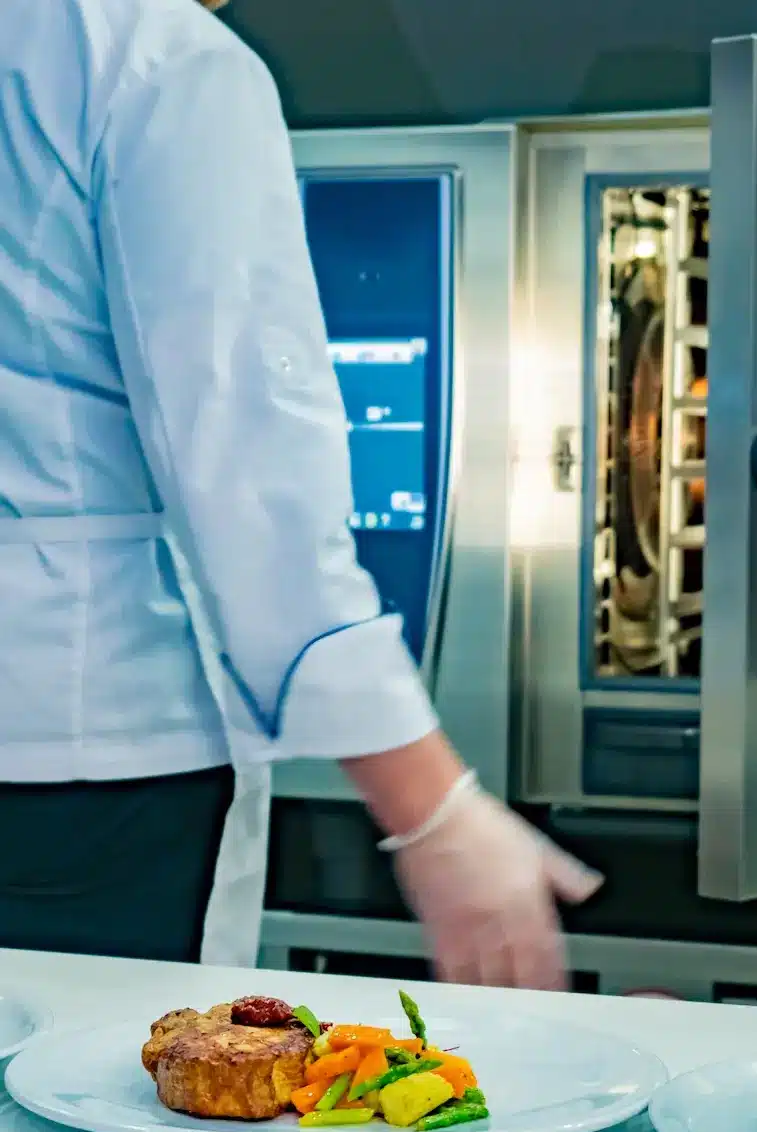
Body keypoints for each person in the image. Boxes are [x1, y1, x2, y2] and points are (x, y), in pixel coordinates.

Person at [0, 0, 602, 986]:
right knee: (74, 1118)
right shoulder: (153, 56)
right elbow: (247, 465)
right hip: (83, 759)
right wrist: (431, 807)